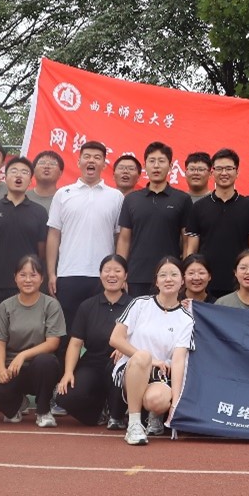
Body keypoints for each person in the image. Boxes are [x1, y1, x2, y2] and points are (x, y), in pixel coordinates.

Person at [110, 256, 193, 445]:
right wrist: (150, 360)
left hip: (160, 375)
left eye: (174, 274)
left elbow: (179, 361)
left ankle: (154, 415)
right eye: (163, 275)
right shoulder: (140, 304)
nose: (168, 279)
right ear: (156, 281)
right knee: (143, 357)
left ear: (182, 280)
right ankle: (134, 425)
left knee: (158, 400)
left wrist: (175, 403)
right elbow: (115, 338)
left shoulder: (186, 319)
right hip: (132, 367)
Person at [0, 254, 65, 426]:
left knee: (46, 362)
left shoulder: (51, 305)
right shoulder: (6, 306)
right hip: (12, 369)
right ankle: (16, 405)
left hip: (39, 369)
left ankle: (43, 411)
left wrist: (23, 355)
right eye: (22, 275)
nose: (27, 280)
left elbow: (53, 342)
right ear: (15, 278)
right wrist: (1, 369)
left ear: (42, 278)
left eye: (33, 275)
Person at [46, 140, 122, 326]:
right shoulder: (63, 194)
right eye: (87, 157)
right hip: (68, 273)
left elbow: (120, 237)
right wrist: (52, 273)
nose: (91, 161)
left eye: (97, 158)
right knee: (69, 329)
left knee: (101, 329)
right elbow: (54, 235)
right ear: (79, 162)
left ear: (104, 164)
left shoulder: (116, 196)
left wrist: (119, 272)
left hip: (104, 276)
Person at [53, 254, 131, 429]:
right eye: (107, 270)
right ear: (100, 274)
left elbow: (142, 338)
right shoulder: (87, 306)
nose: (112, 275)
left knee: (118, 370)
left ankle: (117, 414)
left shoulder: (135, 305)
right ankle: (98, 412)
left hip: (121, 363)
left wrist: (125, 348)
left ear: (125, 275)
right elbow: (75, 343)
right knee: (64, 396)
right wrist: (68, 372)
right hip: (93, 363)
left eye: (117, 271)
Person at [117, 141, 193, 298]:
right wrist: (121, 272)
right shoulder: (131, 199)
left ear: (170, 166)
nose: (156, 166)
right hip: (136, 275)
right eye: (152, 161)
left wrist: (184, 272)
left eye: (161, 161)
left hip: (170, 276)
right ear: (145, 166)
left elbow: (187, 241)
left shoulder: (182, 199)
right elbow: (124, 240)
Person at [185, 148, 249, 300]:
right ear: (212, 172)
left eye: (229, 168)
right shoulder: (198, 207)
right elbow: (191, 249)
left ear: (237, 172)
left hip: (240, 282)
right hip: (205, 283)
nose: (224, 173)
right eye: (219, 169)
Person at [0, 157, 50, 311]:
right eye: (14, 171)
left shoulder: (39, 212)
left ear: (30, 180)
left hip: (27, 283)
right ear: (5, 177)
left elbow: (41, 251)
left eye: (24, 172)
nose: (19, 175)